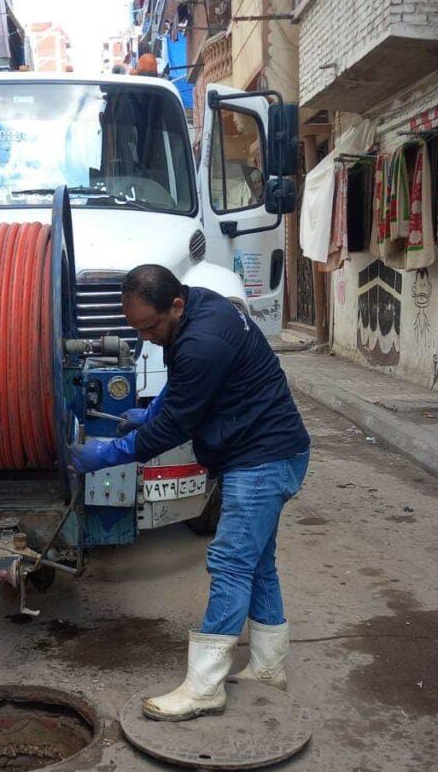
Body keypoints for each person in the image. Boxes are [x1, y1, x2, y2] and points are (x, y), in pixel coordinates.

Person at [71, 265, 311, 722]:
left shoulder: (202, 342)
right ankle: (268, 668)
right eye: (137, 328)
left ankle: (204, 687)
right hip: (271, 450)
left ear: (175, 305)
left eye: (150, 326)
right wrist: (153, 410)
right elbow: (182, 391)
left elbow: (175, 424)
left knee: (230, 562)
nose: (146, 337)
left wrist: (108, 454)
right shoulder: (199, 305)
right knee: (258, 562)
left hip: (262, 459)